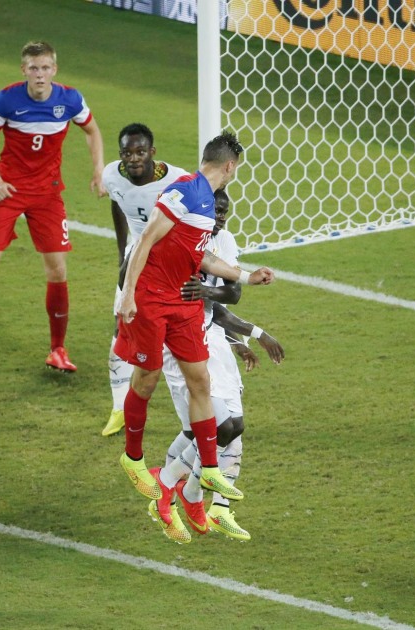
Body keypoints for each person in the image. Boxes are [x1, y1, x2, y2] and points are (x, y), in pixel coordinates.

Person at [114, 131, 274, 518]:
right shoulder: (186, 189)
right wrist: (130, 294)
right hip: (152, 295)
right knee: (147, 376)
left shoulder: (205, 202)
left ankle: (211, 471)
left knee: (200, 381)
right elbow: (147, 239)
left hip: (182, 301)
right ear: (230, 166)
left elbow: (200, 256)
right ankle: (133, 459)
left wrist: (246, 276)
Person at [0, 40, 105, 373]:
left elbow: (92, 131)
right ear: (24, 70)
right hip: (9, 189)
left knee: (58, 270)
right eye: (34, 68)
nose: (40, 74)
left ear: (55, 69)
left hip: (48, 193)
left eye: (46, 67)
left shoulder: (70, 99)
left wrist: (98, 170)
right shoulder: (6, 99)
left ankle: (58, 349)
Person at [147, 189, 284, 543]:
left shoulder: (221, 239)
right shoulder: (180, 240)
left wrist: (244, 338)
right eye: (213, 210)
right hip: (180, 344)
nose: (219, 217)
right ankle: (167, 483)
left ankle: (197, 498)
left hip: (208, 338)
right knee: (212, 428)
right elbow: (187, 298)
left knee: (231, 426)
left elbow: (225, 297)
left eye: (223, 211)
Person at [100, 123, 188, 437]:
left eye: (140, 152)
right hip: (136, 257)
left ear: (152, 152)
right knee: (120, 327)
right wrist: (122, 252)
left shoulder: (178, 180)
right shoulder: (112, 174)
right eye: (127, 153)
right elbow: (116, 203)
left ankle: (196, 408)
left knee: (181, 337)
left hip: (171, 263)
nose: (134, 158)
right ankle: (118, 408)